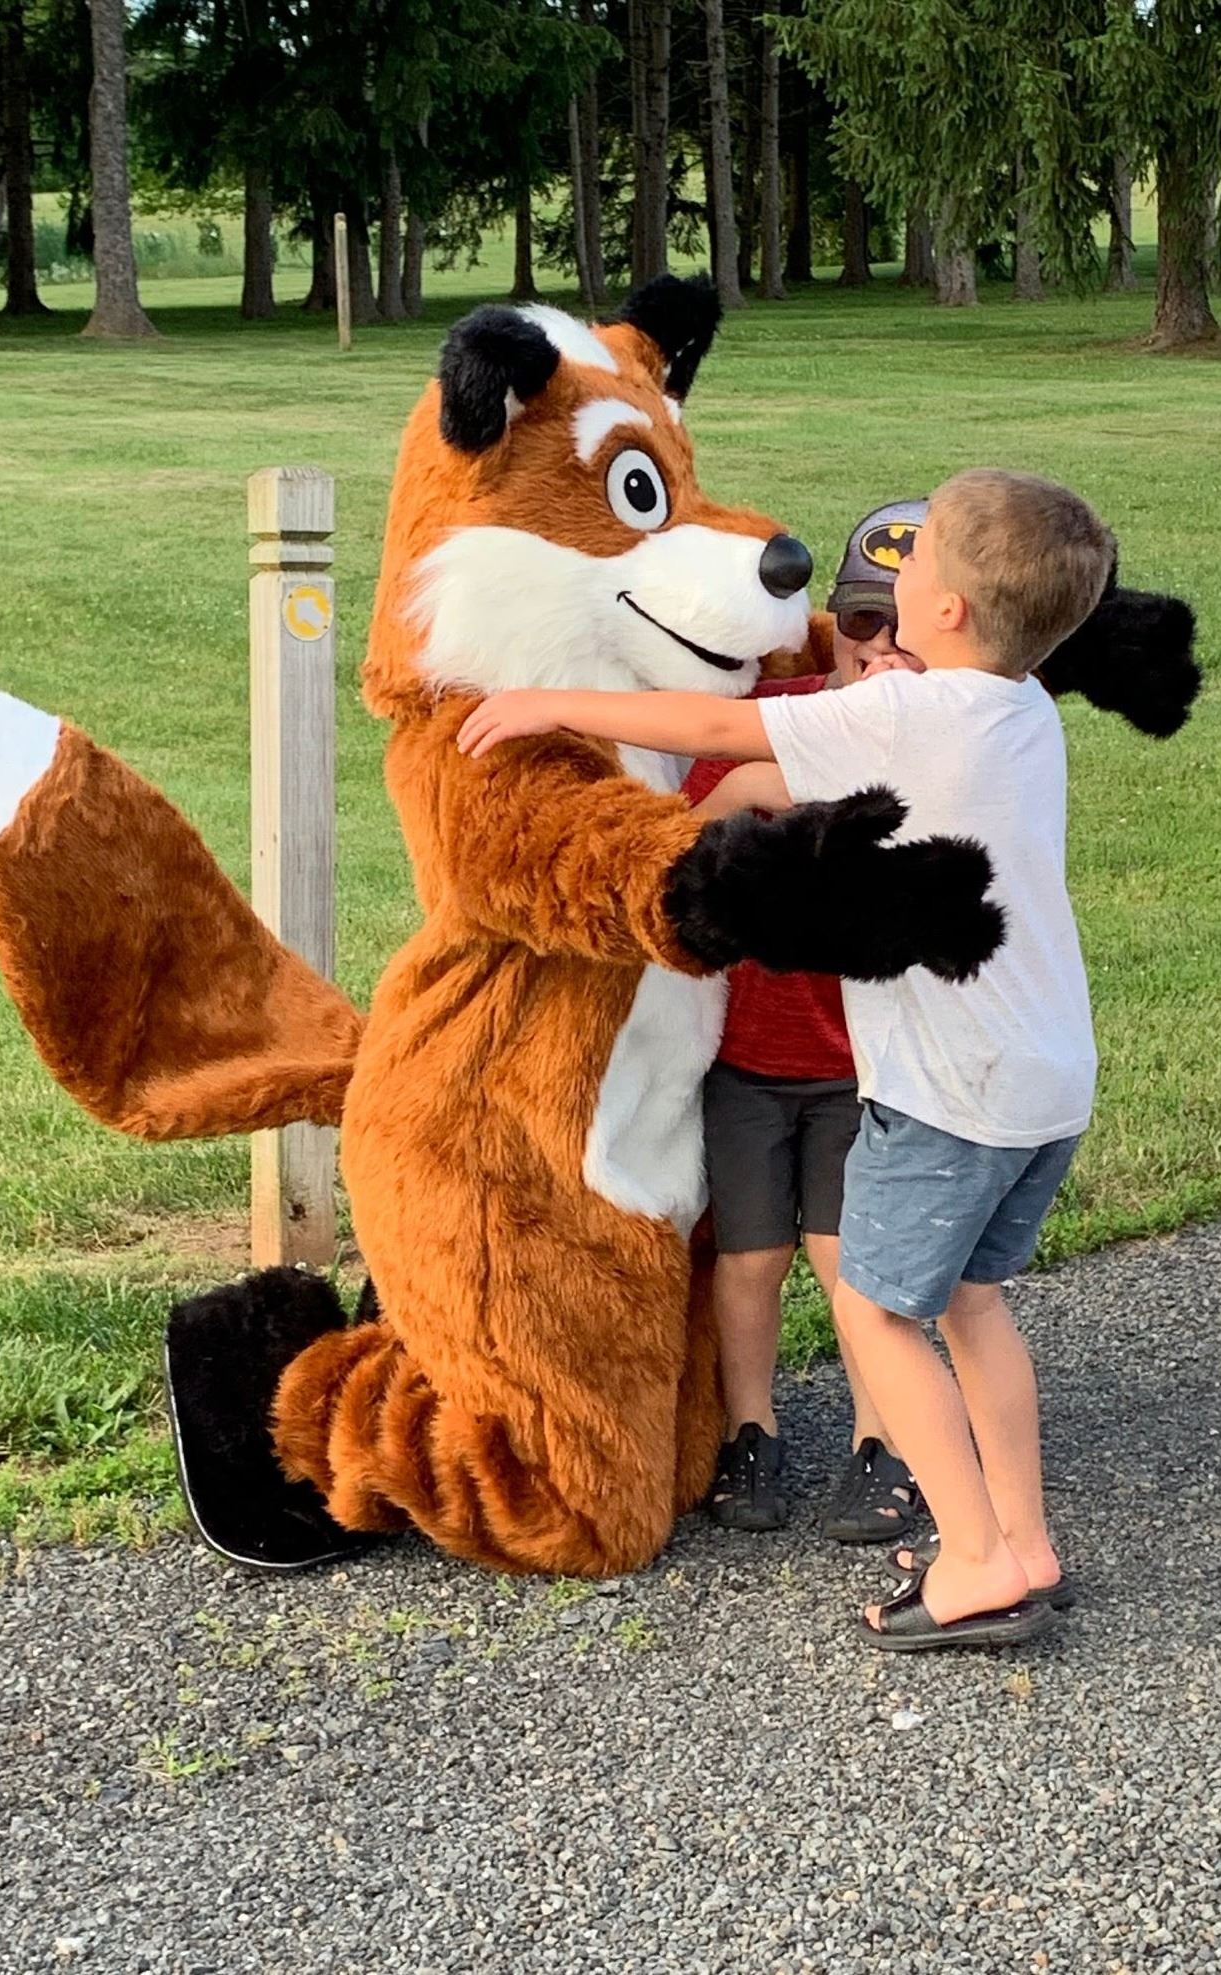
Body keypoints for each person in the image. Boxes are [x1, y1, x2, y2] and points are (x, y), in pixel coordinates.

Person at [458, 467, 1116, 1652]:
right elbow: (796, 773)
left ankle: (972, 1562)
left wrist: (542, 702)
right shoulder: (1020, 712)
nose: (892, 585)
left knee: (872, 1311)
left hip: (951, 1094)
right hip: (1046, 1079)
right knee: (972, 1301)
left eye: (911, 568)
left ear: (951, 609)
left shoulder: (904, 714)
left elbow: (721, 730)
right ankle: (1023, 1535)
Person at [684, 502, 928, 1540]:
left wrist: (767, 788)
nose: (881, 654)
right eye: (863, 625)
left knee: (847, 1261)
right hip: (743, 1057)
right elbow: (684, 826)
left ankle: (887, 1439)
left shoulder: (946, 742)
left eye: (908, 634)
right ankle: (753, 1431)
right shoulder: (775, 707)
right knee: (749, 1258)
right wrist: (747, 789)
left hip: (860, 1067)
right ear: (833, 622)